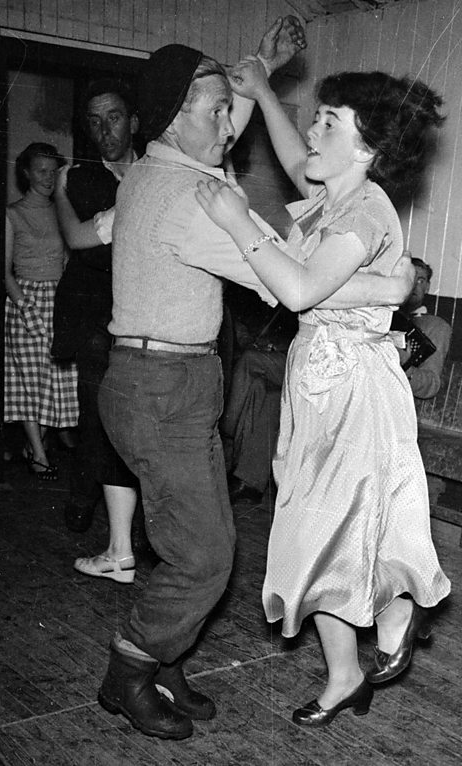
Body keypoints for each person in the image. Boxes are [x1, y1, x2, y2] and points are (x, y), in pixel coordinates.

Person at [196, 59, 451, 727]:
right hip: (317, 387)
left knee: (327, 528)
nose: (313, 127)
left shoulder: (365, 212)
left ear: (366, 147)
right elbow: (295, 158)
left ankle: (397, 604)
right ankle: (347, 671)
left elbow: (301, 290)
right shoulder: (337, 195)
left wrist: (237, 218)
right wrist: (261, 94)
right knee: (315, 536)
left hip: (354, 393)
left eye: (329, 121)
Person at [96, 19, 314, 741]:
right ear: (172, 117)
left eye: (229, 107)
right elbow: (287, 284)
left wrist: (265, 73)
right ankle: (130, 666)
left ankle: (165, 658)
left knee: (189, 536)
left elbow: (211, 128)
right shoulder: (187, 199)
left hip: (164, 382)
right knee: (207, 554)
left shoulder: (155, 167)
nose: (230, 124)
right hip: (162, 388)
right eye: (216, 110)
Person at [52, 80, 140, 581]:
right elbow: (92, 246)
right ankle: (83, 500)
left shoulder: (151, 170)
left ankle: (130, 531)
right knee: (97, 417)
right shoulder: (81, 177)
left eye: (113, 117)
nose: (104, 129)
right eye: (94, 120)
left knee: (130, 420)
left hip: (137, 313)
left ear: (134, 121)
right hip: (93, 314)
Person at [4, 142, 78, 480]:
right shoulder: (12, 213)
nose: (48, 178)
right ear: (26, 173)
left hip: (57, 300)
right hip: (25, 301)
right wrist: (25, 307)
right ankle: (38, 454)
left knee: (56, 384)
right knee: (28, 385)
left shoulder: (63, 210)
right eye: (41, 171)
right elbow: (4, 272)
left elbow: (67, 259)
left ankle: (36, 445)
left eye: (53, 171)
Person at [221, 307, 297, 503]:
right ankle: (249, 481)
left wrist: (275, 346)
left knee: (249, 360)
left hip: (308, 363)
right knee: (263, 392)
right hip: (291, 361)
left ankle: (226, 430)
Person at [394, 255, 451, 399]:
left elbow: (431, 385)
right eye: (409, 277)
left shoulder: (437, 326)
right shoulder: (380, 316)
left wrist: (405, 367)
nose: (414, 285)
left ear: (427, 287)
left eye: (421, 280)